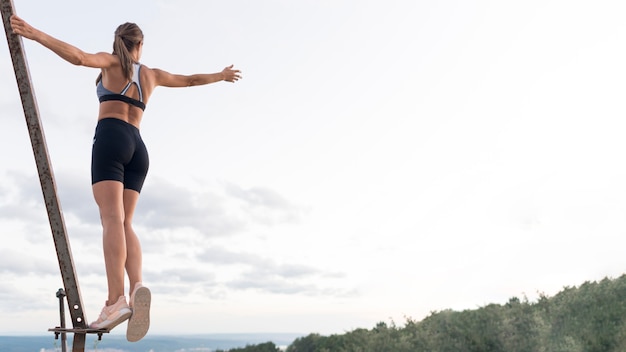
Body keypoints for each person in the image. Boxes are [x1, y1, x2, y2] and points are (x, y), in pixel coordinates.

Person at [10, 15, 241, 342]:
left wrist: (34, 34)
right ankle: (136, 286)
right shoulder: (150, 75)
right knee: (126, 222)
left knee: (111, 220)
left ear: (118, 43)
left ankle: (115, 299)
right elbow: (188, 80)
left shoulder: (111, 62)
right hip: (139, 148)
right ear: (140, 45)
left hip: (111, 139)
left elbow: (78, 58)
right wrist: (220, 75)